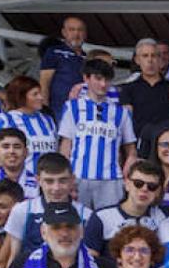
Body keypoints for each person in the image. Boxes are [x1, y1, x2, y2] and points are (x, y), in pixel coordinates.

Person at [58, 60, 138, 212]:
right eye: (98, 78)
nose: (103, 84)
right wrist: (64, 177)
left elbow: (131, 149)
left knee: (109, 226)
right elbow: (65, 145)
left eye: (107, 80)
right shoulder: (73, 107)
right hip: (78, 176)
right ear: (86, 78)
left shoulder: (121, 112)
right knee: (77, 223)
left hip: (111, 179)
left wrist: (127, 171)